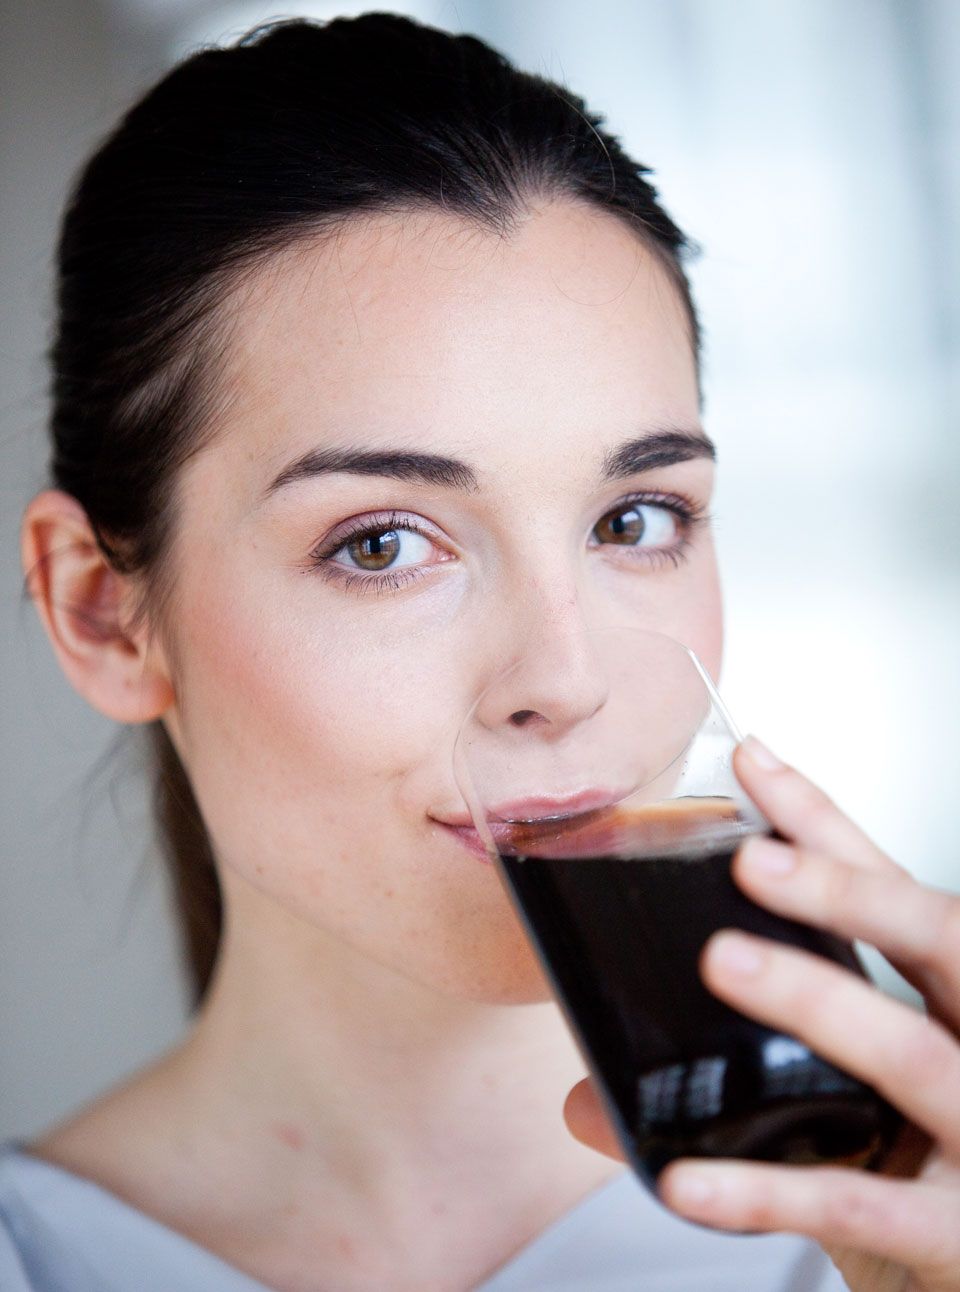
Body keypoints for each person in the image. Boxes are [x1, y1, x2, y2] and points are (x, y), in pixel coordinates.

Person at [5, 13, 957, 1291]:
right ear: (102, 613)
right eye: (385, 544)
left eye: (635, 519)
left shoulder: (899, 1229)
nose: (564, 678)